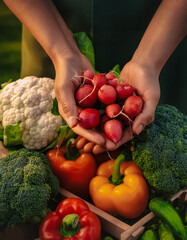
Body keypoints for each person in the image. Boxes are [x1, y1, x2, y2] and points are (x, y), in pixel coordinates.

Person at [3, 0, 187, 154]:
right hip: (44, 21)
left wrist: (148, 62)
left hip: (164, 28)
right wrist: (63, 54)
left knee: (163, 138)